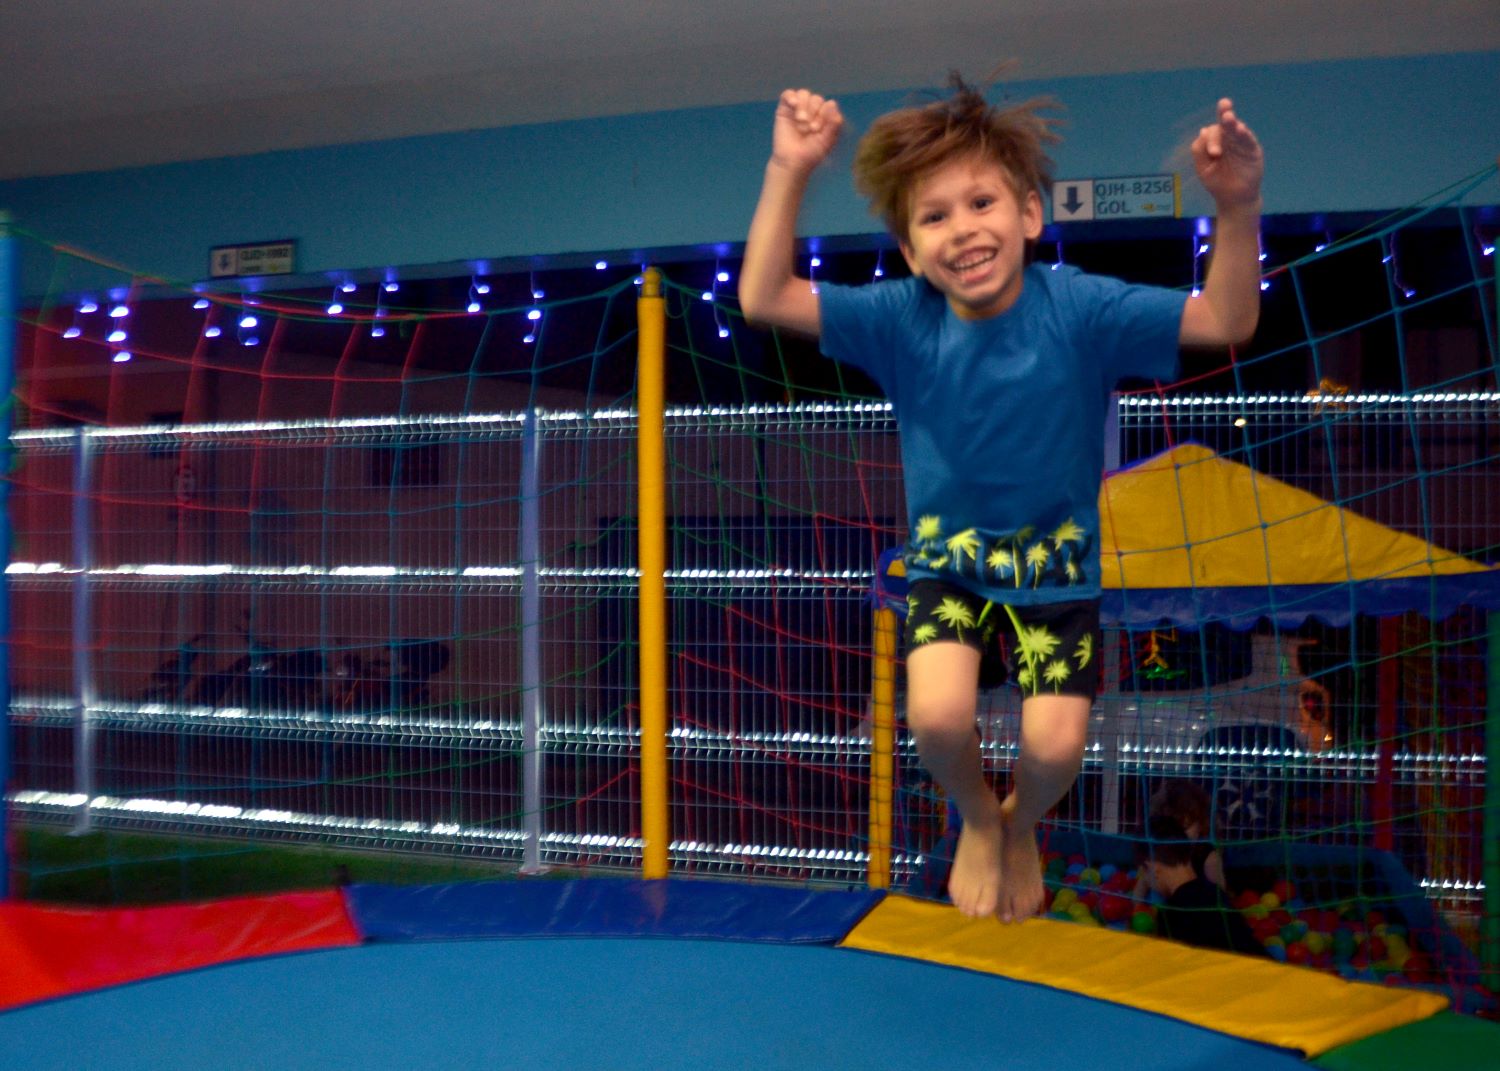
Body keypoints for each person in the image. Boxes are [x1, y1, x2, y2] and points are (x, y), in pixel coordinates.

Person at [738, 74, 1264, 922]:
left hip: (1056, 576)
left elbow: (1226, 321)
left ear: (1027, 214)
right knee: (936, 718)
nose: (962, 230)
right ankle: (981, 818)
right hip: (950, 567)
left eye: (980, 203)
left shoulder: (1080, 307)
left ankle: (1021, 820)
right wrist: (788, 168)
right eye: (934, 217)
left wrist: (1236, 207)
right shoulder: (903, 318)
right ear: (911, 251)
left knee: (1055, 749)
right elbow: (763, 296)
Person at [1139, 815, 1265, 956]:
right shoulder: (1216, 893)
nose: (1146, 881)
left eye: (1143, 873)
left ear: (1152, 866)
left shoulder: (1170, 915)